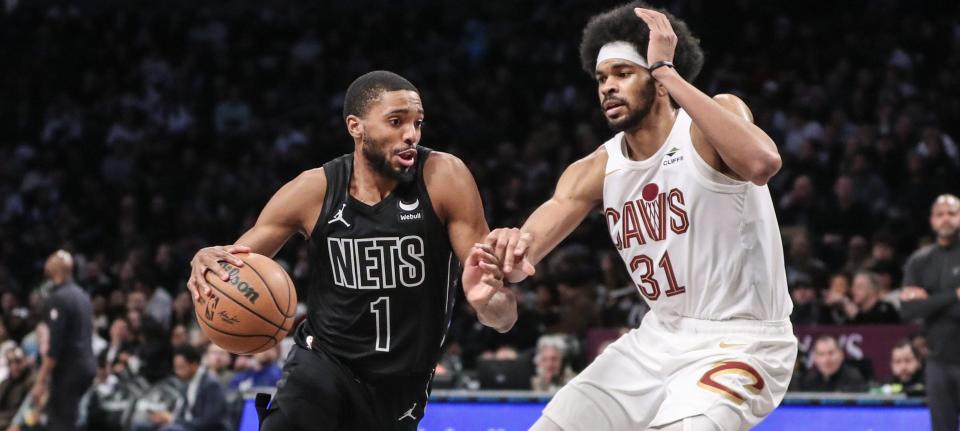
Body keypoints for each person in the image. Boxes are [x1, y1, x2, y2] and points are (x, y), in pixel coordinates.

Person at [467, 3, 797, 430]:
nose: (607, 87)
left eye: (623, 73)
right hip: (658, 338)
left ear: (658, 80)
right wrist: (506, 257)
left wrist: (668, 71)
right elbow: (526, 249)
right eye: (602, 78)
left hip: (742, 341)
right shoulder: (595, 169)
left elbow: (762, 162)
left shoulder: (708, 123)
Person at [186, 70, 514, 431]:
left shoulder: (444, 178)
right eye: (396, 121)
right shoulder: (314, 190)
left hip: (401, 386)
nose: (411, 134)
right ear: (355, 126)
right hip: (323, 362)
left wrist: (489, 303)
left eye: (417, 122)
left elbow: (503, 316)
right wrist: (206, 262)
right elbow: (234, 261)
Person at [900, 194, 960, 431]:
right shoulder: (920, 260)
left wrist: (929, 301)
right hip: (937, 360)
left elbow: (922, 306)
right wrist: (954, 295)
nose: (946, 219)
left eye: (952, 213)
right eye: (940, 214)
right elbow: (908, 309)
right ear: (932, 220)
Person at [30, 250, 96, 431]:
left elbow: (55, 346)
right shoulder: (82, 295)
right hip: (86, 365)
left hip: (69, 369)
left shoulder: (58, 298)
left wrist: (40, 381)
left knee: (60, 423)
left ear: (54, 270)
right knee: (67, 418)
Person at [144, 345, 228, 431]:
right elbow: (181, 413)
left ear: (194, 365)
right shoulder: (187, 382)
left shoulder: (211, 384)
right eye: (176, 368)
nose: (177, 372)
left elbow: (209, 422)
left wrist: (171, 419)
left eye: (181, 367)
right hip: (184, 425)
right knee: (143, 425)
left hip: (202, 428)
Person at [791, 334, 866, 392]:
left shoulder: (853, 378)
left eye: (831, 353)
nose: (827, 359)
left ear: (841, 354)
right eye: (821, 354)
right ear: (815, 358)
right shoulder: (807, 380)